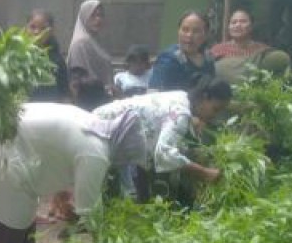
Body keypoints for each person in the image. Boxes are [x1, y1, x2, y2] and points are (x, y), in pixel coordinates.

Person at [0, 95, 217, 243]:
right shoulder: (96, 151)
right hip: (1, 140)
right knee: (4, 217)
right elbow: (89, 210)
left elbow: (57, 150)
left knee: (21, 215)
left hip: (10, 138)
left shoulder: (96, 126)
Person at [93, 78, 233, 204]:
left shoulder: (182, 97)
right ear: (205, 97)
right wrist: (203, 172)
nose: (214, 116)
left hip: (102, 125)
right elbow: (164, 153)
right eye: (215, 109)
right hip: (100, 130)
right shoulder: (181, 112)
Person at [209, 9, 292, 84]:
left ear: (251, 26)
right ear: (229, 27)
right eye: (233, 22)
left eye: (243, 21)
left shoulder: (262, 51)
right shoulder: (217, 50)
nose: (237, 25)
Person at [149, 10, 216, 92]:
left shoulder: (208, 58)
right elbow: (154, 93)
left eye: (196, 31)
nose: (189, 35)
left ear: (205, 34)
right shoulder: (168, 59)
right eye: (185, 30)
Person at [66, 0, 117, 97]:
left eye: (101, 15)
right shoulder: (81, 43)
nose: (98, 19)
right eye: (93, 15)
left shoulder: (96, 42)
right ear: (84, 16)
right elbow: (76, 78)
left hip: (105, 97)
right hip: (89, 100)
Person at [26, 9, 69, 102]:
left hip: (50, 113)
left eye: (43, 28)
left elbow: (65, 94)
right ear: (26, 28)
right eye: (32, 27)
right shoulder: (16, 57)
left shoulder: (57, 60)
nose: (37, 32)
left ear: (51, 31)